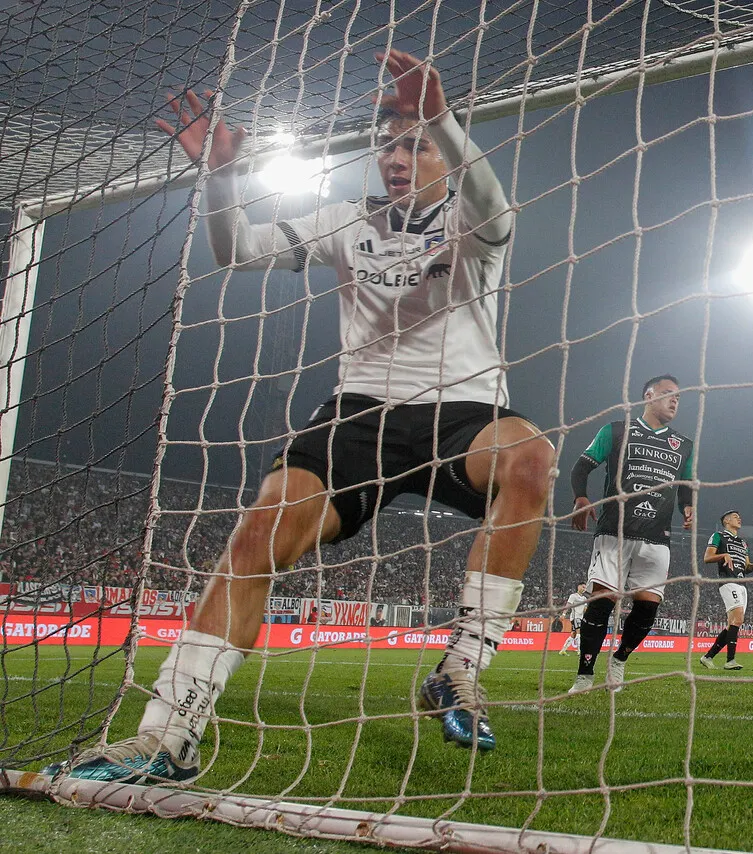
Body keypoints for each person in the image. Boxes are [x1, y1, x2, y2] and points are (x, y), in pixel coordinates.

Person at [48, 49, 554, 782]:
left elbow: (499, 208)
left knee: (531, 458)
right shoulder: (347, 222)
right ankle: (168, 736)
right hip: (357, 418)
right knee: (256, 534)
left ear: (445, 150)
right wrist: (221, 178)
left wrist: (439, 113)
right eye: (387, 143)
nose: (396, 157)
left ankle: (460, 667)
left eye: (415, 142)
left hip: (463, 415)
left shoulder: (474, 225)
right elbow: (236, 253)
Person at [567, 376, 694, 694]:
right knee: (601, 602)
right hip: (614, 532)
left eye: (679, 396)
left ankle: (619, 660)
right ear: (648, 396)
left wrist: (687, 506)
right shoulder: (615, 431)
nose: (675, 400)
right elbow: (581, 467)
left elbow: (686, 484)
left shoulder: (684, 445)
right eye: (668, 394)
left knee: (648, 608)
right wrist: (581, 496)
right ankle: (584, 676)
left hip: (657, 538)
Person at [698, 511, 753, 671]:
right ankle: (730, 660)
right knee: (737, 620)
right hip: (727, 581)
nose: (739, 518)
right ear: (726, 521)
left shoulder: (742, 543)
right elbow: (707, 557)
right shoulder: (718, 536)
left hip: (741, 584)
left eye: (739, 516)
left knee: (733, 624)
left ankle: (708, 657)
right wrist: (723, 555)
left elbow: (745, 567)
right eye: (734, 516)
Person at [558, 582, 589, 655]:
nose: (584, 589)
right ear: (578, 587)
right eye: (583, 587)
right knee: (579, 632)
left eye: (585, 587)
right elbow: (568, 605)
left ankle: (563, 650)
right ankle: (580, 651)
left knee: (573, 634)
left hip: (580, 617)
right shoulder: (573, 596)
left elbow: (585, 609)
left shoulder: (584, 598)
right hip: (575, 617)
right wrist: (563, 614)